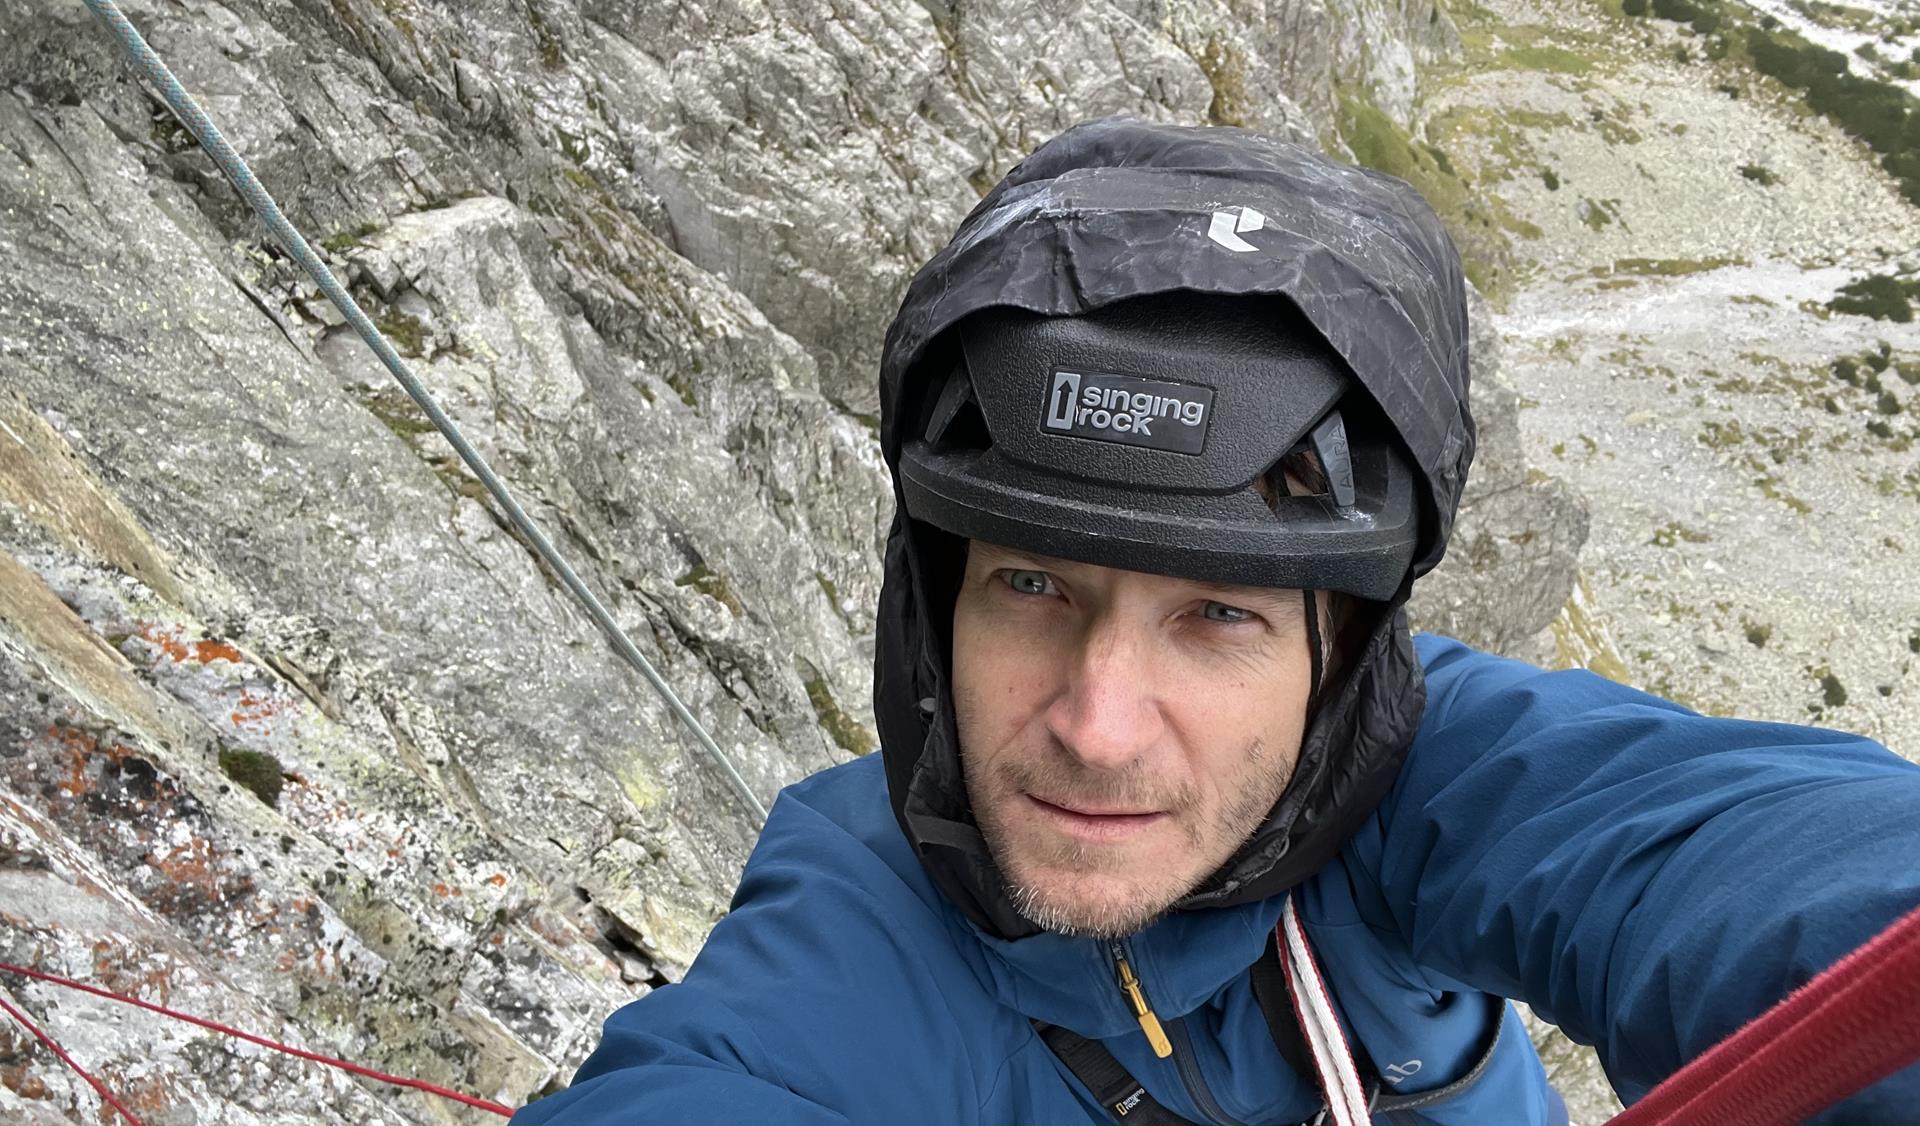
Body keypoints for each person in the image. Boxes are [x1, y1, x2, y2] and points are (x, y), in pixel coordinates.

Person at [511, 118, 1920, 1125]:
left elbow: (1750, 863)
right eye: (1032, 585)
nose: (1099, 725)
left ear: (1339, 653)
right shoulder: (858, 910)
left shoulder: (1427, 783)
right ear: (933, 608)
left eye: (1220, 614)